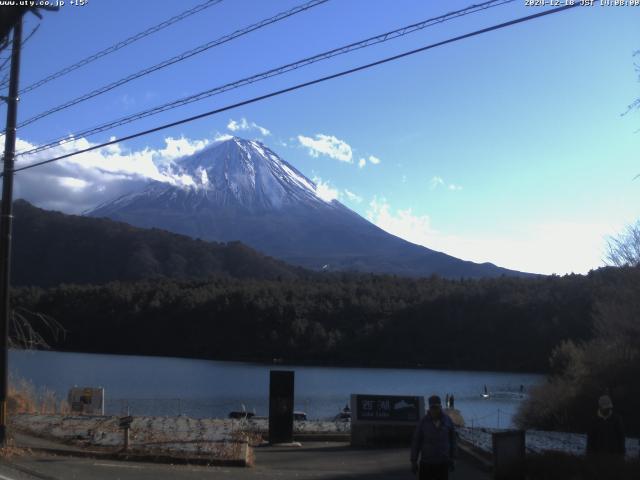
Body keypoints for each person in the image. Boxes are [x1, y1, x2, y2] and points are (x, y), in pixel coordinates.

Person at [411, 395, 457, 480]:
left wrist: (453, 458)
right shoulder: (423, 422)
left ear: (440, 407)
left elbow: (453, 440)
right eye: (432, 407)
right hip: (426, 463)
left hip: (443, 463)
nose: (434, 410)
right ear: (429, 408)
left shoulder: (448, 421)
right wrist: (414, 461)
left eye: (436, 407)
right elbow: (416, 442)